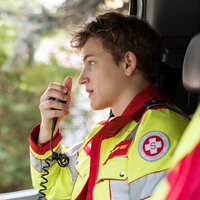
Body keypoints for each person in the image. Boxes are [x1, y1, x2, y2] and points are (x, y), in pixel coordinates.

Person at [30, 12, 190, 200]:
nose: (81, 79)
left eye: (91, 63)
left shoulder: (161, 131)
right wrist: (48, 128)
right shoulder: (102, 133)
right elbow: (52, 186)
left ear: (128, 63)